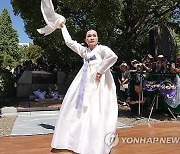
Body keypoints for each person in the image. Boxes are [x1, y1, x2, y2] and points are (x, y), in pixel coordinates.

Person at [50, 23, 118, 153]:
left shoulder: (102, 49)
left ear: (97, 38)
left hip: (99, 82)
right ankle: (77, 138)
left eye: (94, 35)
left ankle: (96, 141)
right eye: (89, 36)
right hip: (84, 81)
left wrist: (100, 70)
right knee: (78, 108)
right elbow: (70, 42)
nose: (92, 37)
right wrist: (63, 27)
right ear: (85, 40)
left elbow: (113, 57)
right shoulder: (84, 51)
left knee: (97, 109)